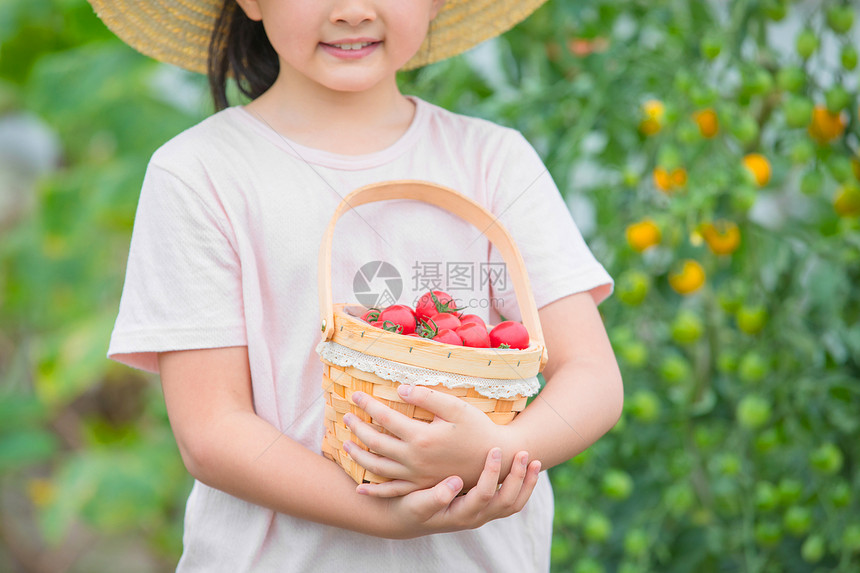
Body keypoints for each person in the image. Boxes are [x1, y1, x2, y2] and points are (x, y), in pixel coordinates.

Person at [92, 0, 624, 570]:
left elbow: (591, 375)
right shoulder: (199, 174)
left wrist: (499, 454)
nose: (351, 11)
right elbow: (212, 429)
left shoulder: (494, 162)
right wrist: (383, 517)